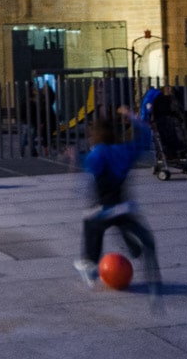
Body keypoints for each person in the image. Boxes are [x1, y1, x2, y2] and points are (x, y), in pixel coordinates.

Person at [72, 106, 162, 301]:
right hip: (124, 209)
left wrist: (74, 159)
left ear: (94, 135)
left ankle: (88, 263)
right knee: (132, 228)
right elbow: (146, 136)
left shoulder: (97, 154)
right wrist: (132, 116)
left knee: (90, 225)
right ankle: (133, 245)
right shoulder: (126, 150)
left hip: (102, 211)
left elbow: (85, 181)